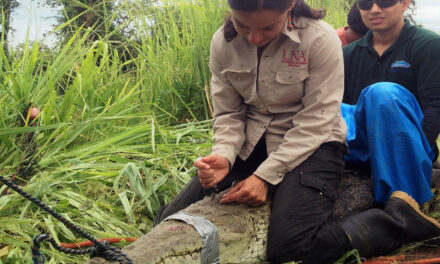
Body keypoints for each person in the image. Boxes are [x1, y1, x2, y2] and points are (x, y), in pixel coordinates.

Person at [154, 0, 351, 263]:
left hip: (315, 144)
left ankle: (388, 222)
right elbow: (229, 114)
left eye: (268, 27)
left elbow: (318, 119)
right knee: (166, 220)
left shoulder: (319, 39)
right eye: (243, 25)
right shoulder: (222, 43)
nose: (255, 38)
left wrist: (265, 177)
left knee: (290, 247)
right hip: (254, 139)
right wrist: (223, 156)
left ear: (290, 6)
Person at [340, 0, 440, 259]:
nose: (374, 9)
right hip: (360, 144)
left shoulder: (428, 44)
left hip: (407, 144)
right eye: (365, 3)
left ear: (405, 3)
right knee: (323, 105)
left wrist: (421, 151)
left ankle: (404, 203)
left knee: (382, 93)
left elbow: (435, 105)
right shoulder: (348, 54)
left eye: (384, 1)